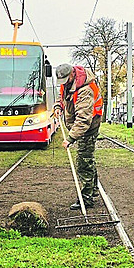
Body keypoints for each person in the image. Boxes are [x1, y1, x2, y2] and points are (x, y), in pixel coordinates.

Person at [54, 63, 103, 210]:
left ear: (72, 75)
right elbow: (62, 97)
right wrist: (58, 107)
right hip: (80, 124)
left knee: (83, 161)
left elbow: (83, 119)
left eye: (65, 80)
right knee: (87, 158)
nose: (63, 84)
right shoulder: (67, 83)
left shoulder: (85, 90)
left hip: (89, 126)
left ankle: (86, 198)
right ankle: (93, 189)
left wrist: (70, 138)